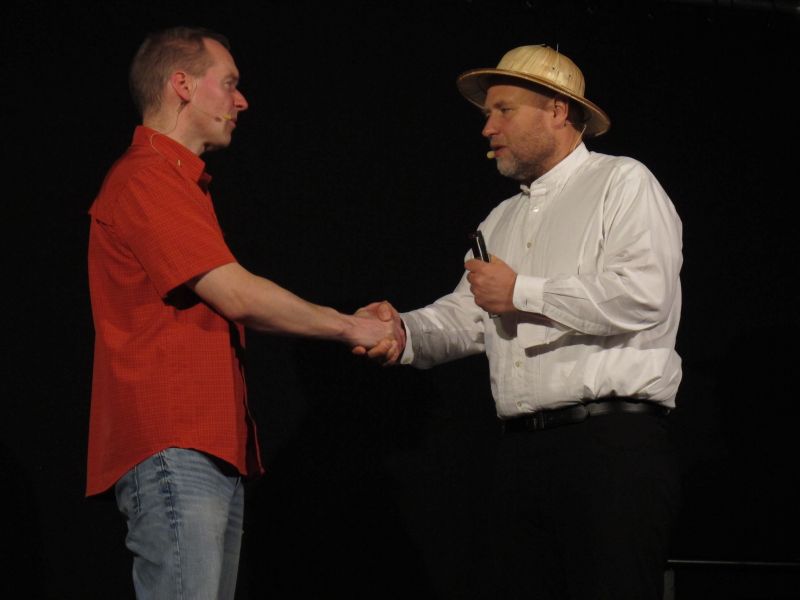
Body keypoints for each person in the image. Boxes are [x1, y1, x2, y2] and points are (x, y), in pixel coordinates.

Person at [356, 44, 682, 599]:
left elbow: (644, 294)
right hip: (521, 453)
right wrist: (402, 330)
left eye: (503, 110)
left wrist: (521, 291)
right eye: (488, 114)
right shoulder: (502, 217)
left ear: (557, 110)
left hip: (609, 448)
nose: (488, 128)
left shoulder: (622, 182)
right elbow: (469, 315)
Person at [86, 26, 398, 600]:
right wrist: (351, 325)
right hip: (173, 441)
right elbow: (237, 295)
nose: (242, 100)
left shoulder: (180, 182)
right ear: (182, 84)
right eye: (228, 83)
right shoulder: (147, 176)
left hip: (203, 445)